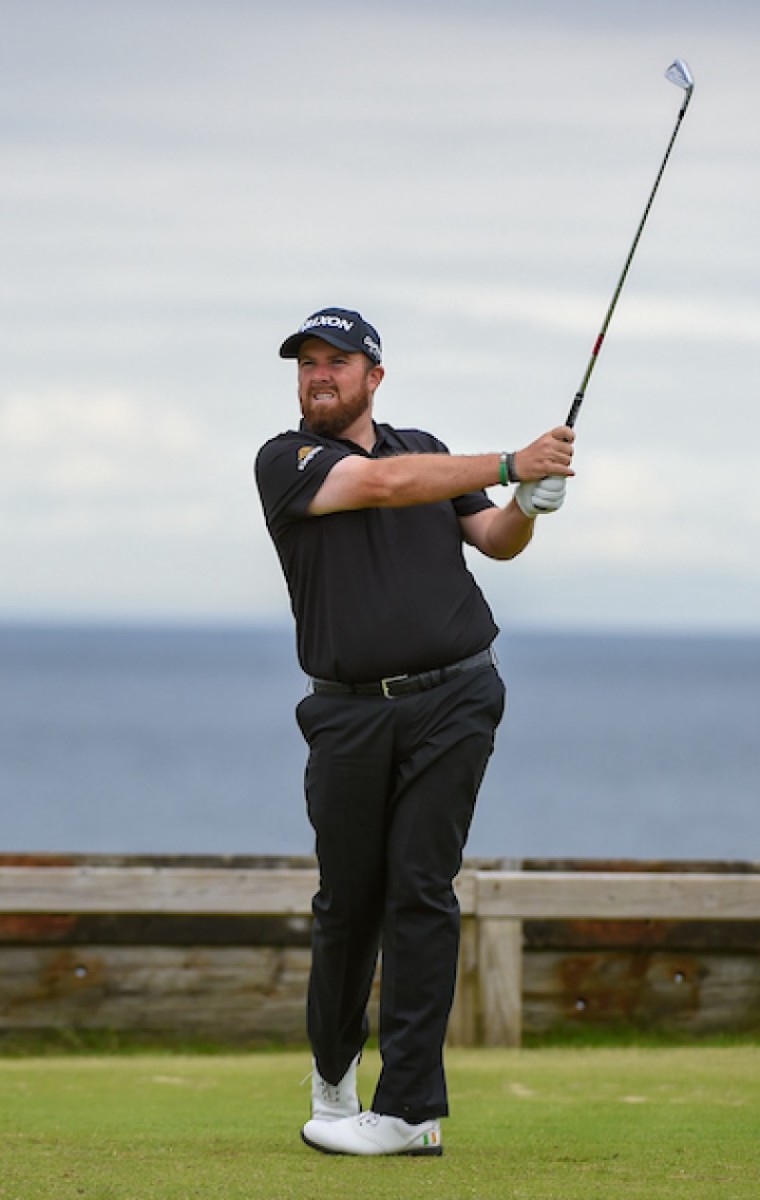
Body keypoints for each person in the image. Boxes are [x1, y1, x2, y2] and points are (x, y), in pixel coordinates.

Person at [254, 307, 574, 1158]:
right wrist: (512, 459)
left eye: (336, 361)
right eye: (307, 363)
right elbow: (386, 488)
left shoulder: (423, 446)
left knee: (422, 891)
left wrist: (528, 502)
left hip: (457, 695)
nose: (318, 374)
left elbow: (495, 541)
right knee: (347, 904)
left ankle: (409, 1112)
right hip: (347, 711)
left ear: (374, 376)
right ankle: (333, 1077)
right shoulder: (285, 461)